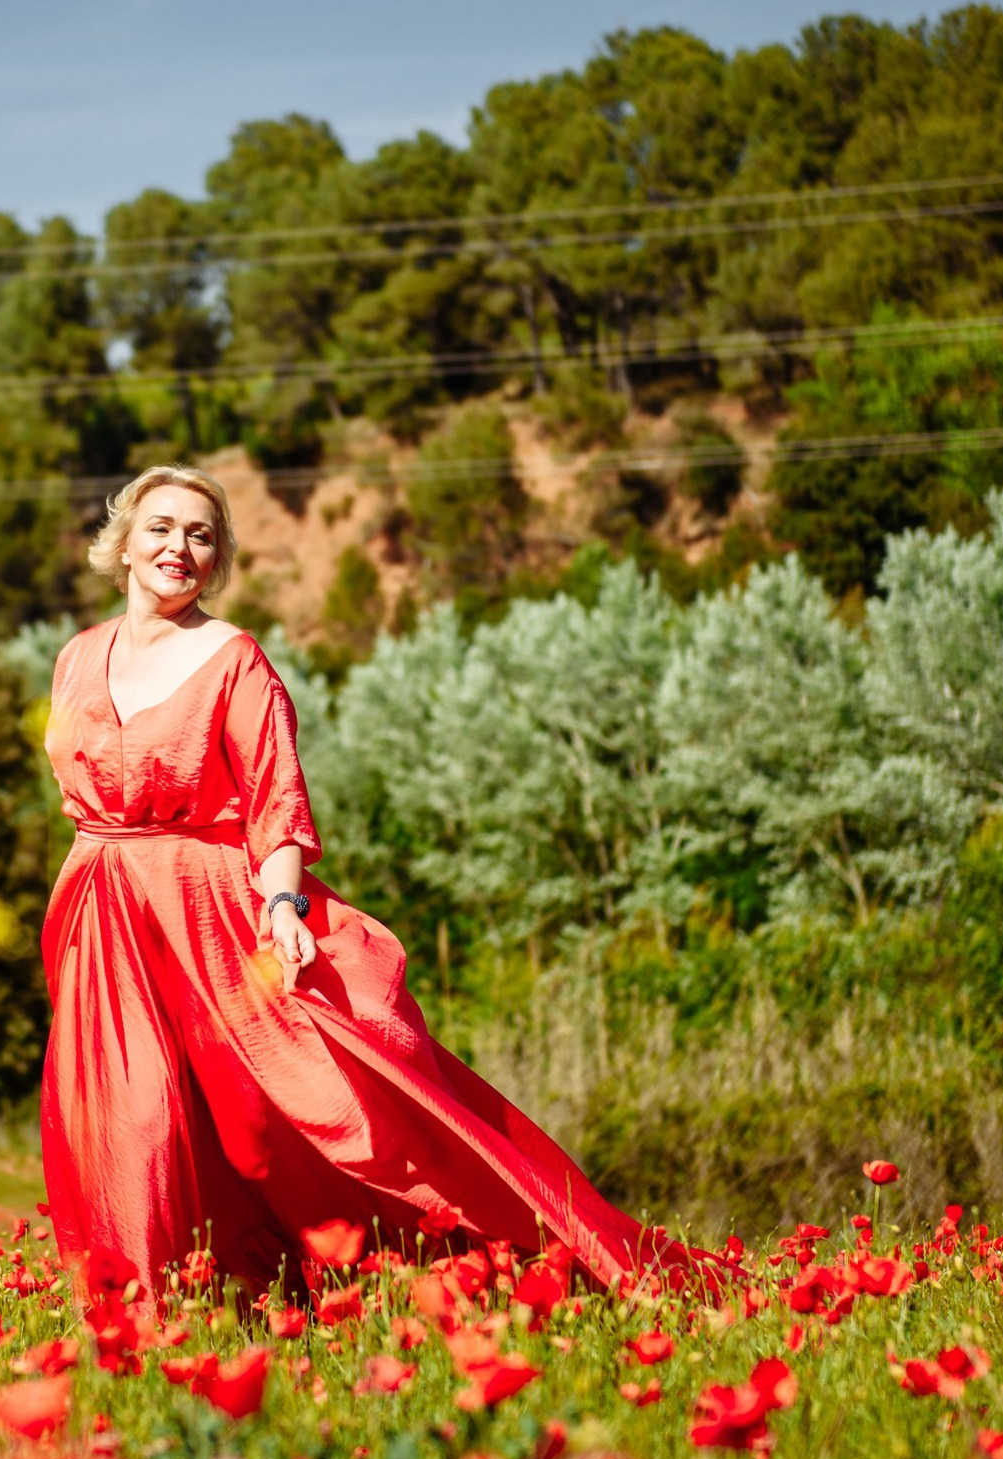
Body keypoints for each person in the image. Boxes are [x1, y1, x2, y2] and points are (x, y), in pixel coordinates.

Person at [37, 463, 694, 1300]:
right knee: (129, 1120)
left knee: (282, 1112)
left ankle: (453, 1254)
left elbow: (278, 803)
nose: (179, 547)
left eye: (201, 535)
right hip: (102, 910)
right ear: (125, 542)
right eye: (162, 527)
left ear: (217, 558)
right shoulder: (77, 657)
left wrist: (282, 905)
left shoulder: (235, 659)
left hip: (209, 911)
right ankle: (140, 1315)